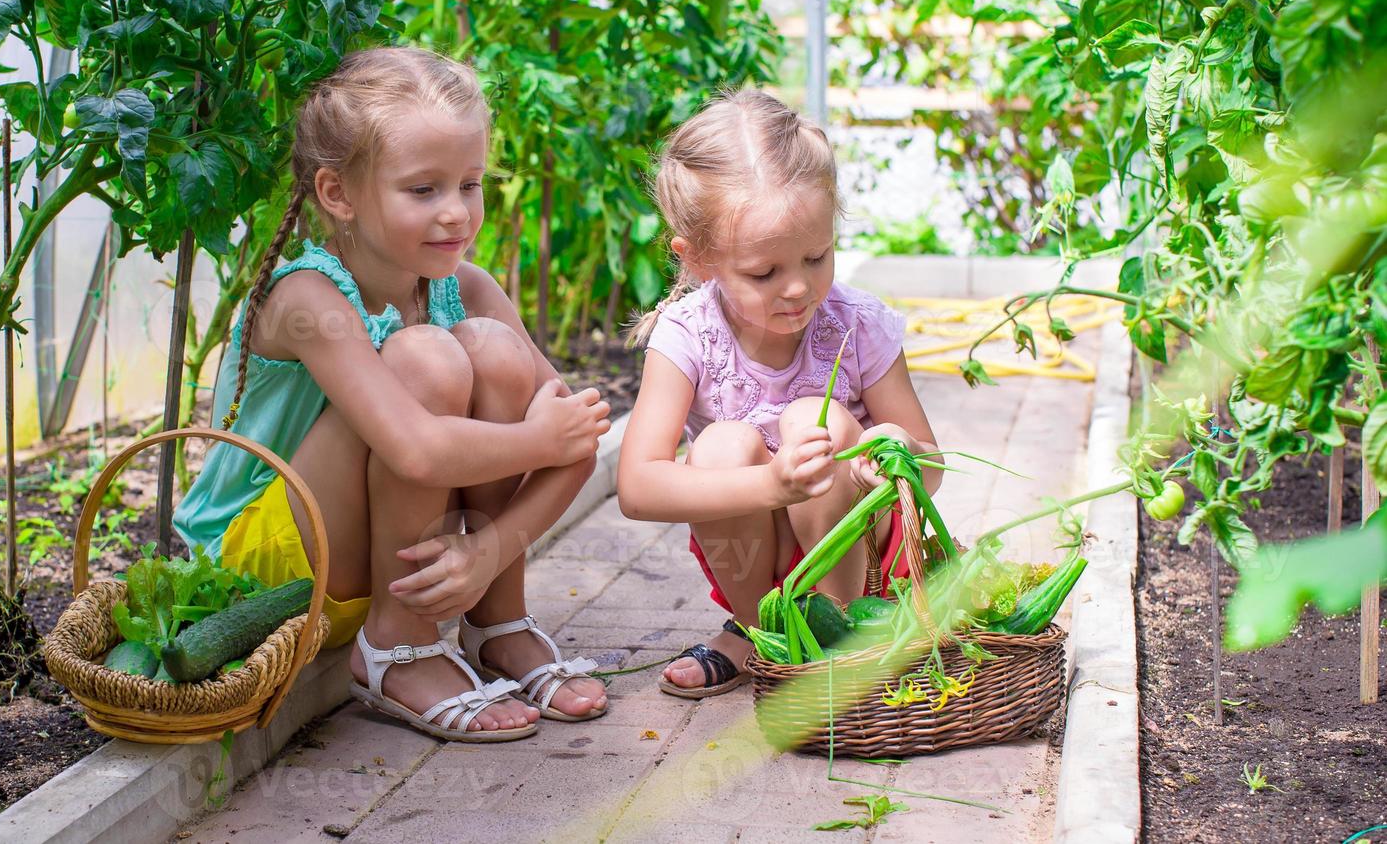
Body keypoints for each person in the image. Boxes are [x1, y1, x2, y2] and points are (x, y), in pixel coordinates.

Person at [172, 47, 612, 741]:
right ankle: (399, 646)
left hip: (357, 554)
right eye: (422, 190)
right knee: (427, 359)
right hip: (263, 573)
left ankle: (499, 622)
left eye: (469, 184)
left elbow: (576, 440)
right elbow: (415, 449)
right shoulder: (306, 298)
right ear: (337, 194)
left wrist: (492, 547)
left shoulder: (465, 287)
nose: (455, 214)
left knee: (493, 351)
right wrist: (536, 441)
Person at [615, 90, 942, 699]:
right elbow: (636, 487)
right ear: (700, 259)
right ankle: (757, 631)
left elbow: (932, 463)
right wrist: (772, 485)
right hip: (751, 558)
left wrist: (893, 449)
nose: (797, 287)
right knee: (721, 446)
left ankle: (839, 631)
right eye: (764, 273)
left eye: (817, 257)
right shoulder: (688, 337)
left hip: (857, 556)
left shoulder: (857, 325)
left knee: (819, 421)